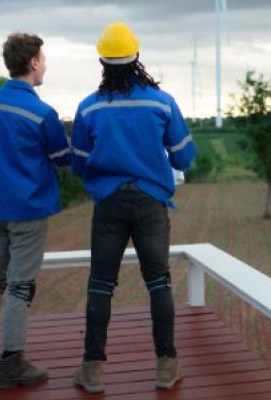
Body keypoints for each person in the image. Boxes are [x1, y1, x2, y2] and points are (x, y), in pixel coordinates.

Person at [70, 22, 196, 393]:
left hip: (109, 204)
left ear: (102, 61)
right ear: (137, 57)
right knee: (159, 283)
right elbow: (184, 158)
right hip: (150, 204)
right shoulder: (162, 102)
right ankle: (166, 367)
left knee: (100, 285)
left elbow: (78, 163)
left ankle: (92, 372)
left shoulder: (88, 108)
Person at [0, 32, 71, 389]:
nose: (45, 65)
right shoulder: (42, 113)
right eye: (43, 59)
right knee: (20, 287)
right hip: (27, 211)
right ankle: (12, 365)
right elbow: (62, 159)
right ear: (32, 63)